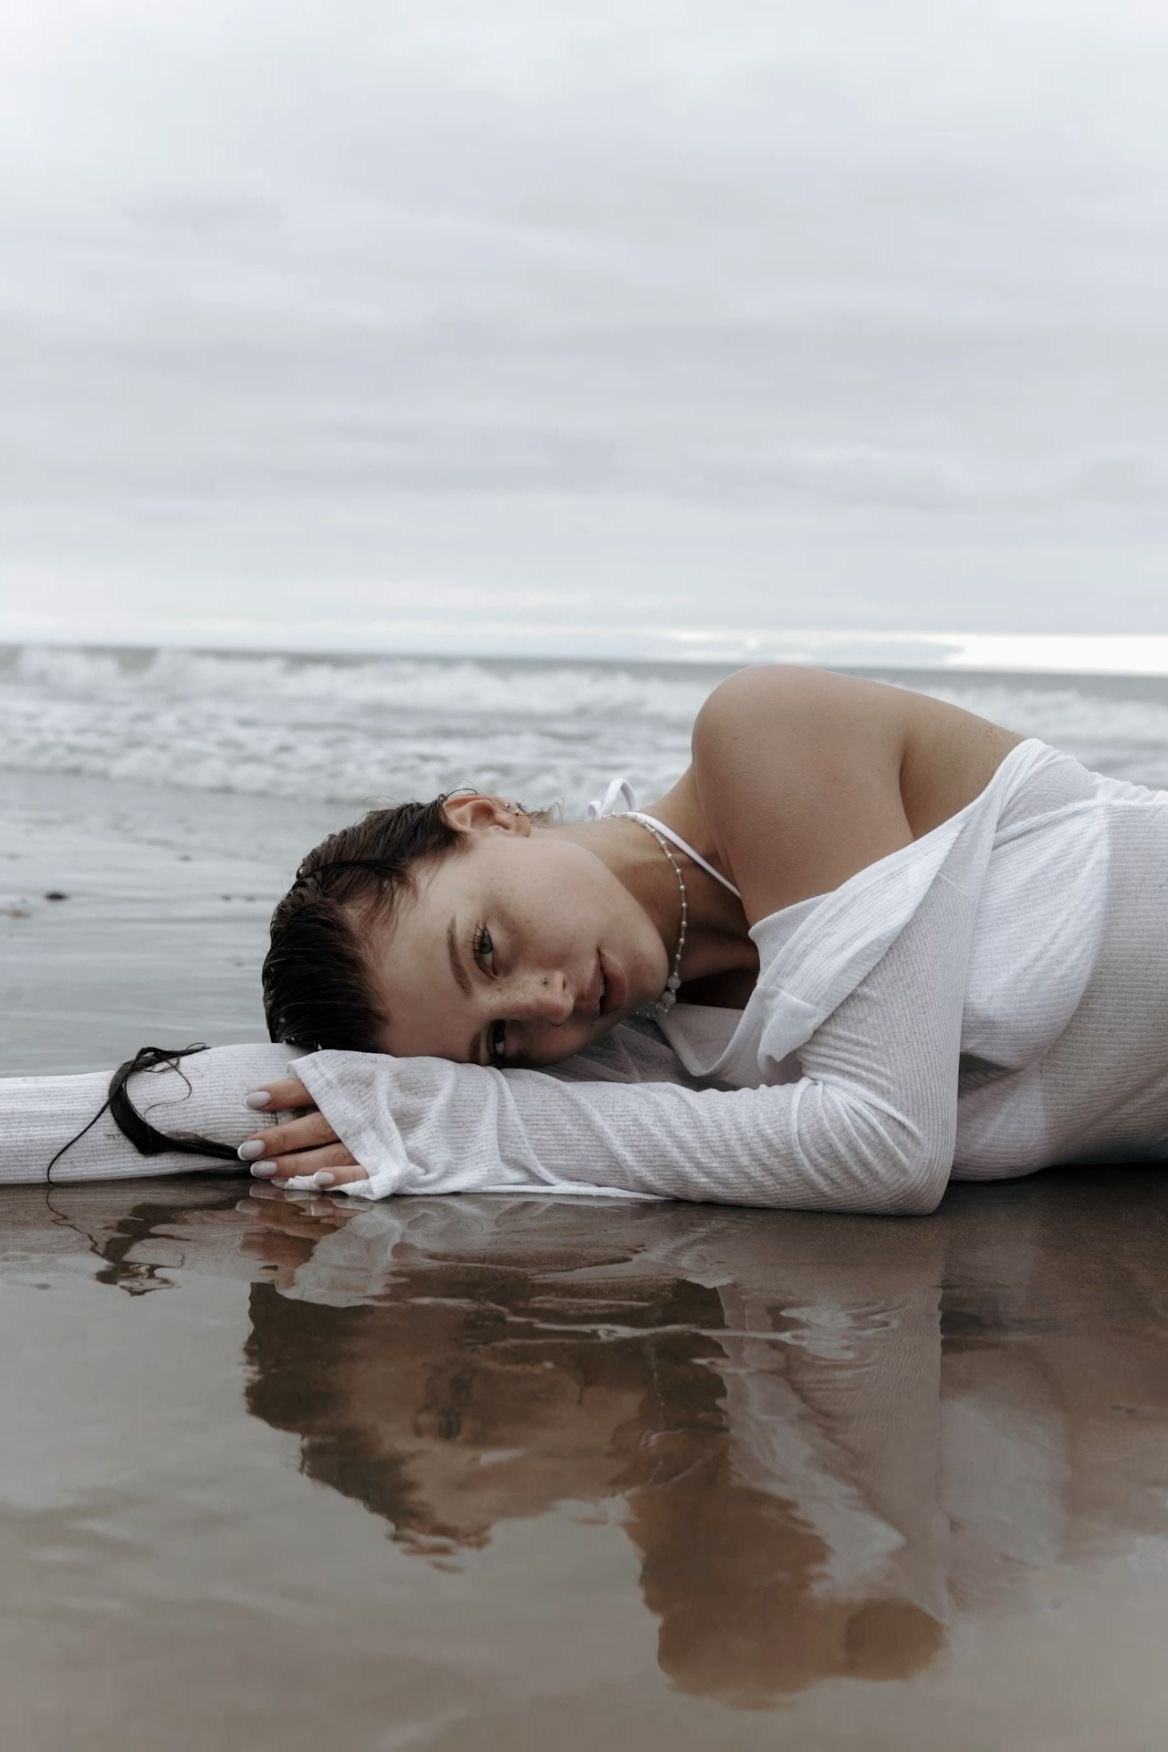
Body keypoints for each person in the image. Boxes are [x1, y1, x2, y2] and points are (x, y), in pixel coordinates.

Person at [4, 664, 1167, 1209]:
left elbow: (884, 1149)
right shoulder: (639, 1050)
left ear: (487, 813)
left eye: (488, 951)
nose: (551, 1009)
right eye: (499, 1042)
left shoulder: (766, 735)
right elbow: (304, 1101)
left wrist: (474, 1107)